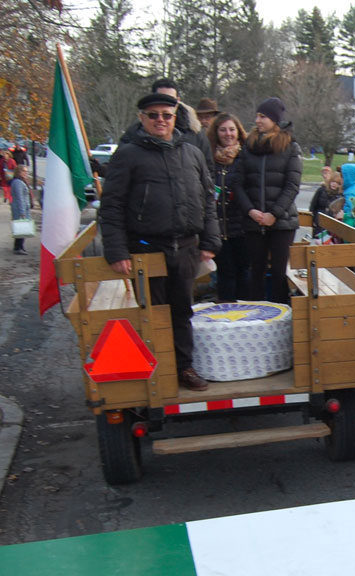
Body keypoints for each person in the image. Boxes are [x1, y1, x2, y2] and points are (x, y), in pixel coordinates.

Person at [100, 92, 220, 391]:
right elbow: (112, 205)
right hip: (145, 249)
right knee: (150, 312)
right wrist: (116, 250)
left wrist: (210, 240)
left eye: (166, 115)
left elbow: (207, 199)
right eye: (153, 115)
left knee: (182, 311)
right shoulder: (128, 155)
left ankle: (183, 368)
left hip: (187, 249)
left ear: (175, 116)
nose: (160, 121)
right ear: (142, 118)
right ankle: (154, 372)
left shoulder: (191, 153)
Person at [234, 97, 302, 305]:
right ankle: (256, 315)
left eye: (262, 116)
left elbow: (292, 185)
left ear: (274, 119)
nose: (258, 120)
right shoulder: (249, 146)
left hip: (281, 222)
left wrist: (274, 214)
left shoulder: (290, 147)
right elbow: (238, 183)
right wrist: (250, 211)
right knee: (256, 271)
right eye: (257, 116)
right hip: (253, 222)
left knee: (280, 273)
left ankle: (281, 315)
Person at [206, 112, 250, 303]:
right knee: (225, 275)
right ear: (217, 133)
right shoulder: (209, 159)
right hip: (218, 229)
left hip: (242, 228)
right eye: (223, 130)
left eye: (231, 129)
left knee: (244, 274)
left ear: (238, 132)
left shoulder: (246, 157)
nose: (228, 134)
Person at [146, 78, 212, 170]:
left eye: (171, 100)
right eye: (162, 98)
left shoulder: (195, 132)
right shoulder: (137, 133)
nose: (166, 103)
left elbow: (208, 171)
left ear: (178, 100)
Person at [309, 166, 343, 235]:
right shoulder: (321, 190)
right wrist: (313, 219)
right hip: (319, 221)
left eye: (337, 183)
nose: (334, 184)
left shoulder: (340, 196)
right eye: (333, 182)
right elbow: (313, 206)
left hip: (331, 224)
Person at [9, 164, 31, 255]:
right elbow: (19, 198)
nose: (26, 173)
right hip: (20, 209)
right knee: (21, 228)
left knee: (21, 228)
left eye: (27, 171)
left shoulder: (20, 181)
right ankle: (18, 247)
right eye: (24, 171)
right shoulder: (18, 182)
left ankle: (19, 247)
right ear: (19, 172)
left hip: (22, 208)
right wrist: (22, 212)